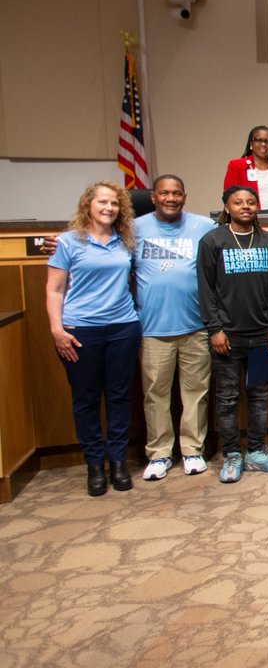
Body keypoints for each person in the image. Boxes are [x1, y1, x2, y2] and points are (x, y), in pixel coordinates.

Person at [46, 181, 142, 496]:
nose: (108, 208)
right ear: (88, 204)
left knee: (119, 397)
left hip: (123, 328)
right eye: (102, 202)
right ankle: (94, 464)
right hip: (79, 331)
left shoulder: (125, 241)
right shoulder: (69, 242)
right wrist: (57, 330)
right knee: (86, 399)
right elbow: (54, 289)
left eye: (114, 204)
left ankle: (117, 461)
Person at [197, 186, 268, 483]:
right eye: (239, 202)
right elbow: (206, 290)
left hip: (263, 334)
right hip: (227, 336)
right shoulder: (213, 241)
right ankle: (233, 454)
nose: (246, 207)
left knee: (260, 396)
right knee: (226, 398)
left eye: (251, 202)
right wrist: (215, 329)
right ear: (227, 206)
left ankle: (257, 452)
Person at [132, 175, 218, 480]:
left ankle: (192, 450)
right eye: (164, 193)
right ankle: (159, 454)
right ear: (153, 197)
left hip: (195, 325)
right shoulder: (134, 227)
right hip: (153, 328)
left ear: (185, 196)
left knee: (196, 392)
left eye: (177, 193)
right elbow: (95, 236)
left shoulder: (202, 226)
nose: (171, 198)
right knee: (155, 394)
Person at [223, 125, 268, 211]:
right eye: (259, 140)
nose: (263, 144)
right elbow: (229, 196)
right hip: (246, 220)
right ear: (251, 144)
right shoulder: (237, 165)